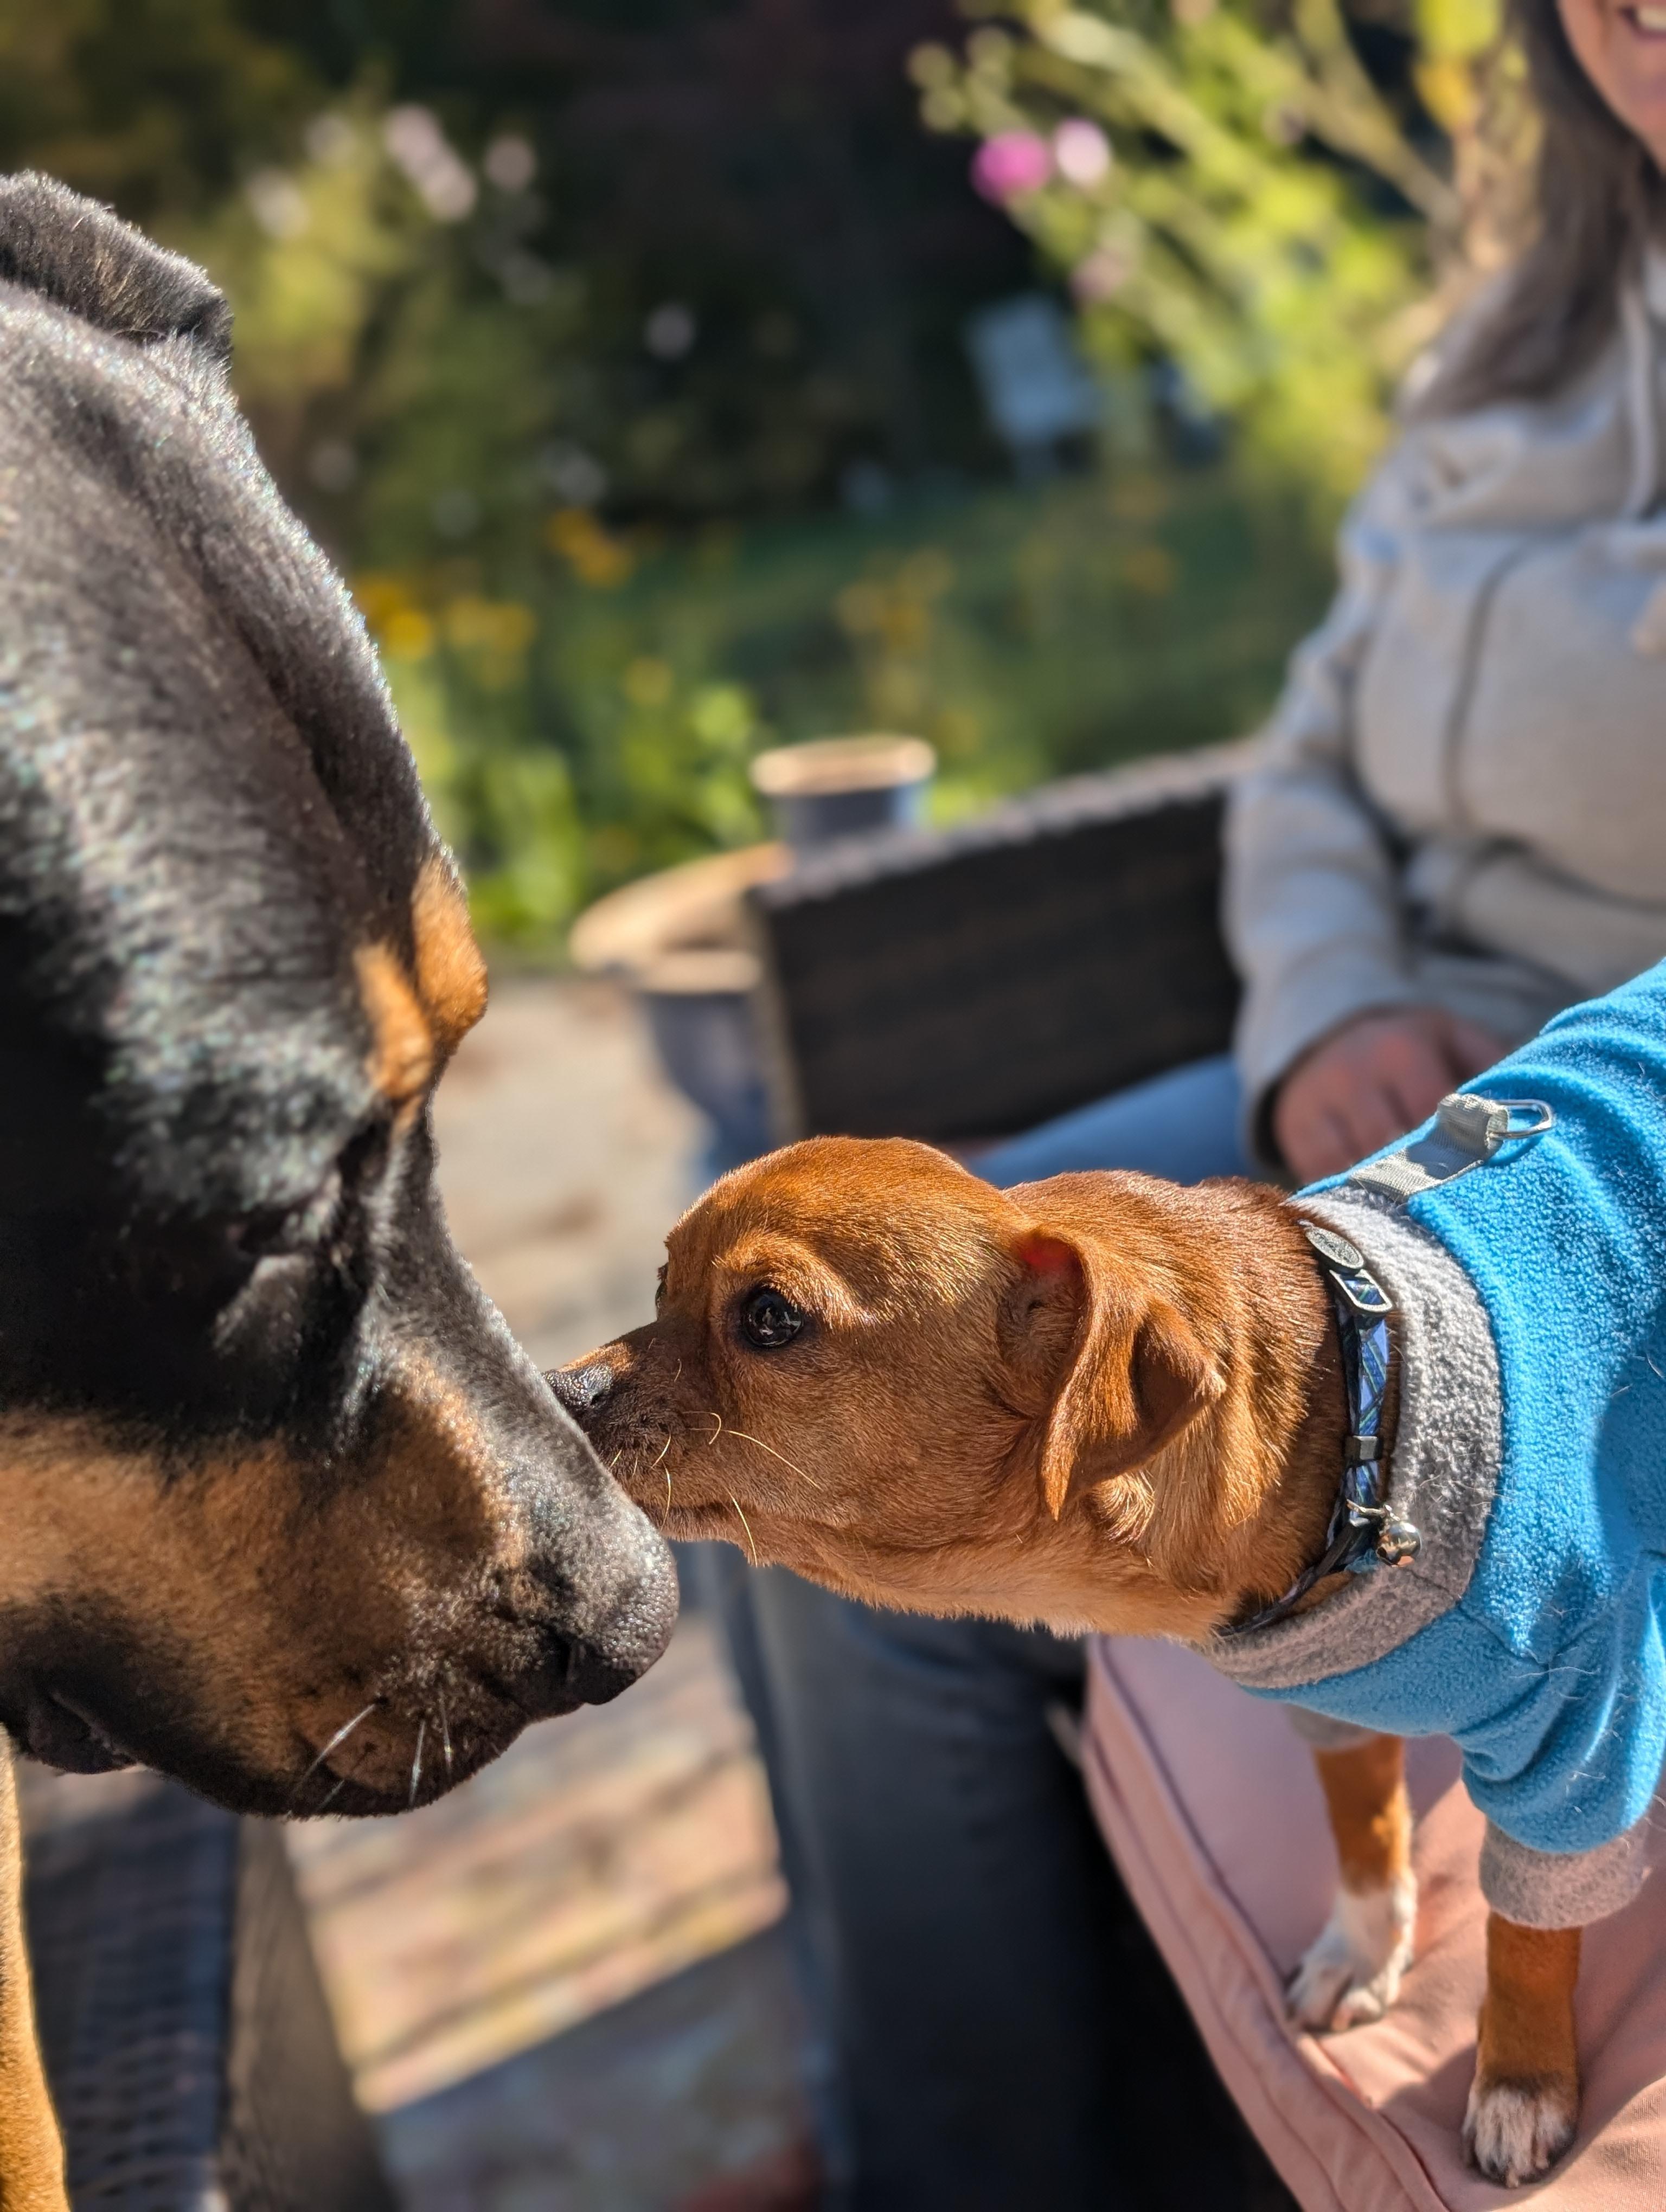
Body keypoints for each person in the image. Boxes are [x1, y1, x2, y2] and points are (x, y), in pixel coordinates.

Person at [685, 0, 1666, 2201]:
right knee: (773, 1349)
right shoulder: (1529, 326)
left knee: (904, 1535)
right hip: (1342, 1066)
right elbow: (1309, 744)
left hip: (1578, 1132)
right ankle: (938, 2143)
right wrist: (1325, 1004)